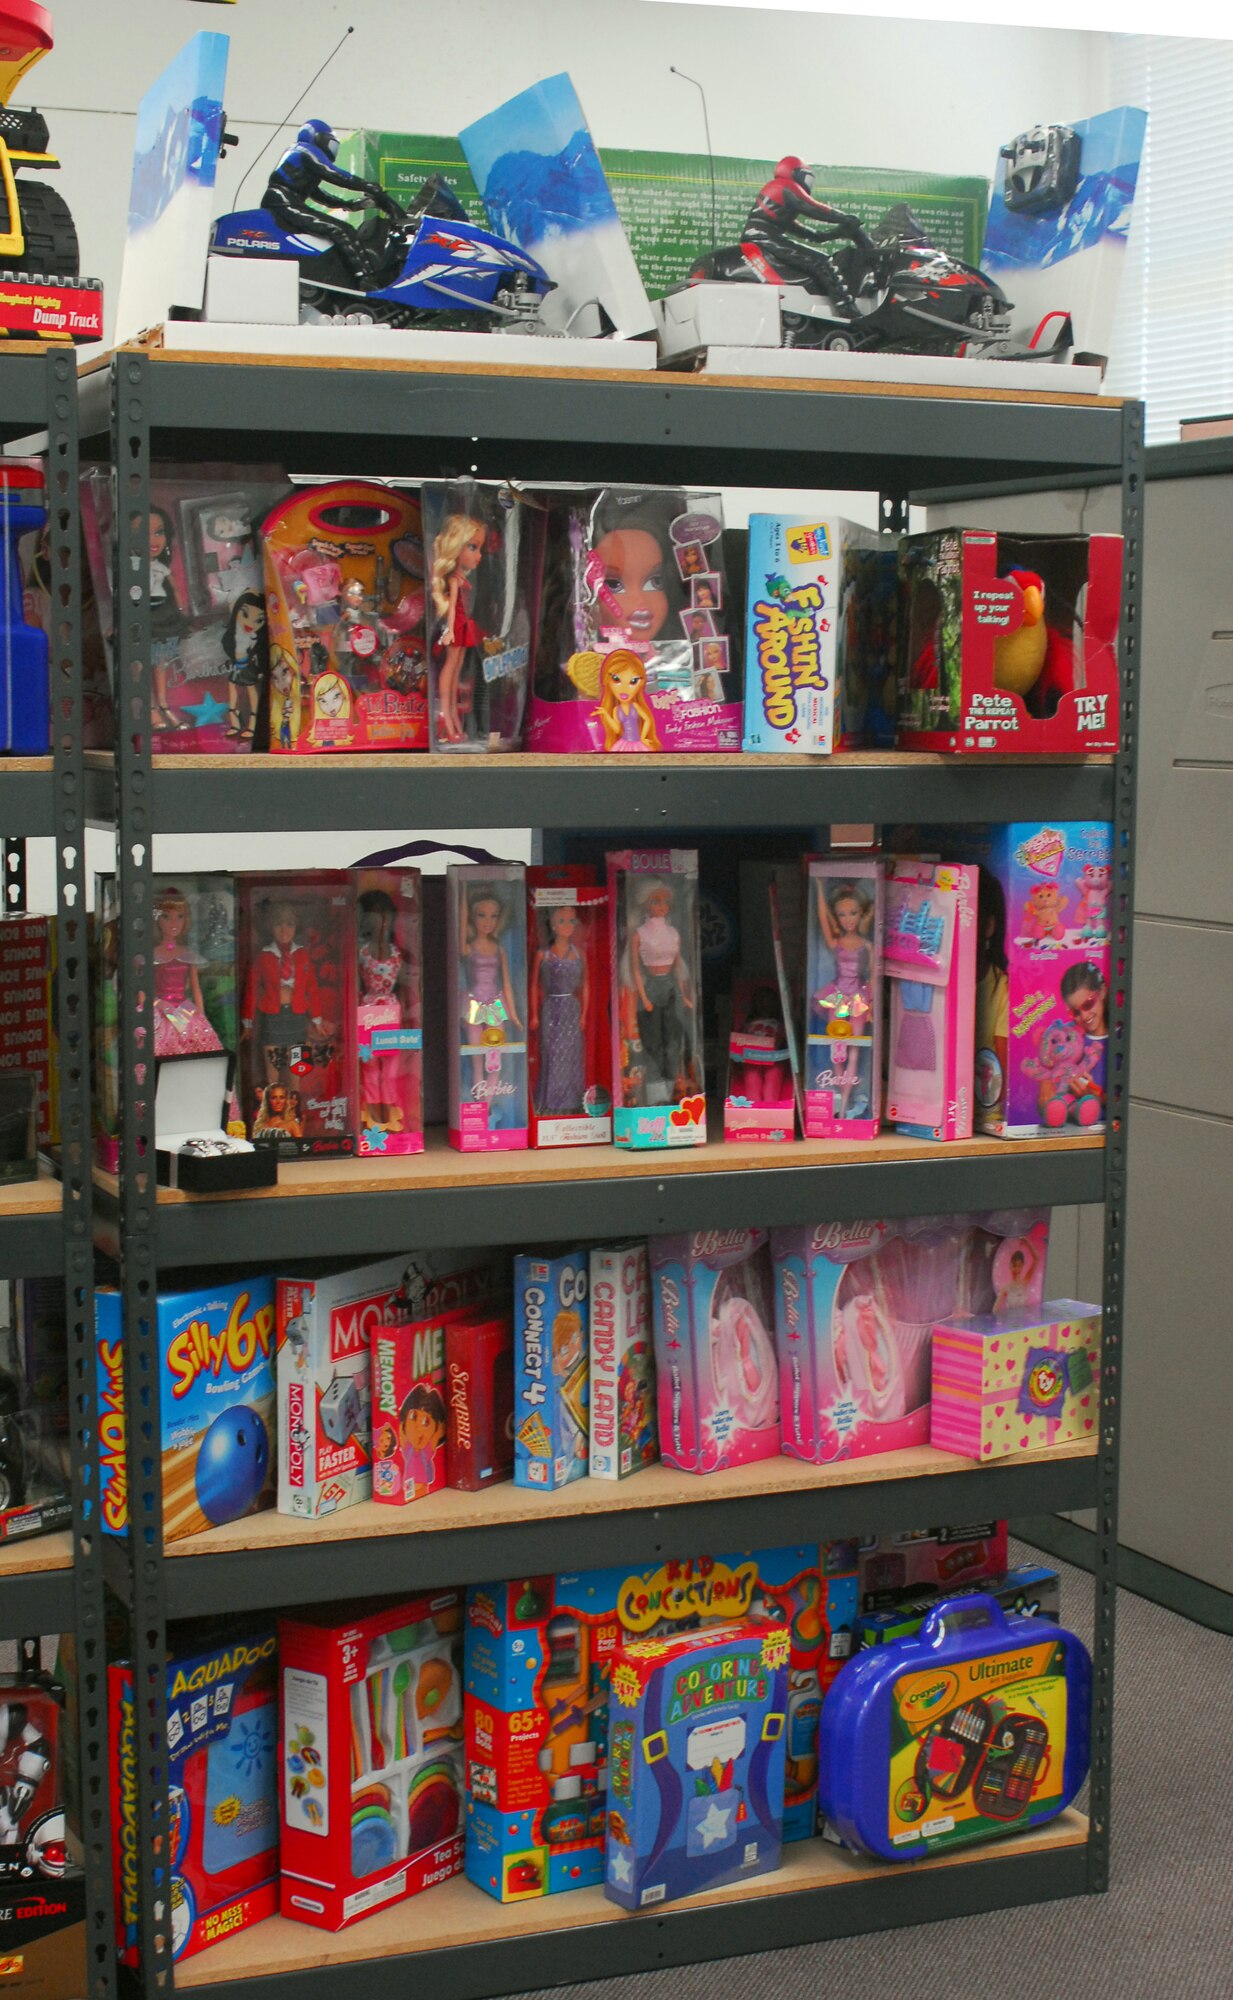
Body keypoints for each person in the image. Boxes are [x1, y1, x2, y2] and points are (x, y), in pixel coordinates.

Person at [263, 118, 401, 288]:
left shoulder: (296, 155)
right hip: (285, 203)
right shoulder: (307, 150)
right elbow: (333, 174)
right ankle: (366, 280)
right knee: (343, 230)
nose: (332, 150)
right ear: (319, 139)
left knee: (335, 230)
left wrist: (350, 205)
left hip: (282, 201)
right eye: (332, 145)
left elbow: (317, 193)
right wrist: (368, 186)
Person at [744, 156, 864, 318]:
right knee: (822, 262)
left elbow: (808, 233)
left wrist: (836, 233)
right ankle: (847, 309)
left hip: (760, 236)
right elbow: (813, 208)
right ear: (794, 173)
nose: (808, 183)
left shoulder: (776, 202)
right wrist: (844, 218)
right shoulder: (785, 186)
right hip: (765, 236)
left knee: (812, 262)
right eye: (806, 177)